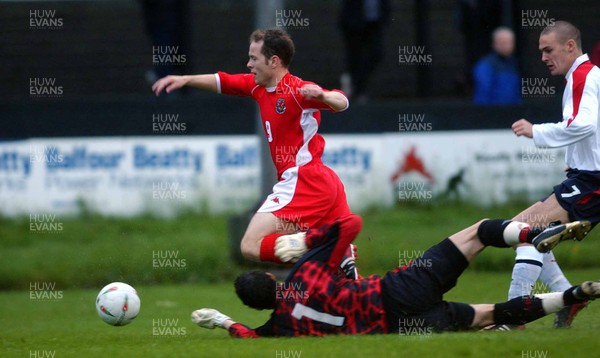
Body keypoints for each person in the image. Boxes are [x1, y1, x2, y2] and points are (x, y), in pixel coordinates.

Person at [152, 28, 358, 277]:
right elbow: (224, 81)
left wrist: (323, 95)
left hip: (303, 181)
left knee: (250, 245)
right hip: (324, 183)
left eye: (254, 59)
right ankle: (337, 257)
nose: (248, 65)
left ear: (274, 61)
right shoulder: (257, 87)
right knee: (340, 283)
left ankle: (320, 247)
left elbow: (342, 102)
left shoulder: (298, 90)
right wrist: (186, 79)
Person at [190, 215, 597, 337]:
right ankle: (530, 234)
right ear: (272, 279)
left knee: (488, 315)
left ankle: (573, 295)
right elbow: (349, 224)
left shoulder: (279, 329)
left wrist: (223, 321)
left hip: (400, 327)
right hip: (399, 287)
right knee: (477, 233)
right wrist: (305, 238)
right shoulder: (304, 274)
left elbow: (249, 337)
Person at [504, 20, 600, 329]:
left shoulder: (583, 77)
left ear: (570, 46)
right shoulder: (586, 76)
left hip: (593, 182)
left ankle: (512, 317)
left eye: (549, 50)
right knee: (526, 231)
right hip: (586, 177)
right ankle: (569, 298)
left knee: (525, 232)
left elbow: (583, 124)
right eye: (541, 51)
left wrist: (536, 131)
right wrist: (575, 160)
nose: (544, 57)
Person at [339, 0, 390, 103]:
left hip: (374, 23)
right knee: (355, 57)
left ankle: (357, 85)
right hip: (354, 23)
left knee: (376, 54)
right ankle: (355, 88)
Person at [473, 27, 521, 104]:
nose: (505, 46)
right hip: (492, 112)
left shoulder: (513, 64)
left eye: (508, 42)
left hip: (512, 112)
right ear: (494, 44)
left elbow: (516, 92)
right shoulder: (485, 65)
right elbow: (483, 93)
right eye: (501, 42)